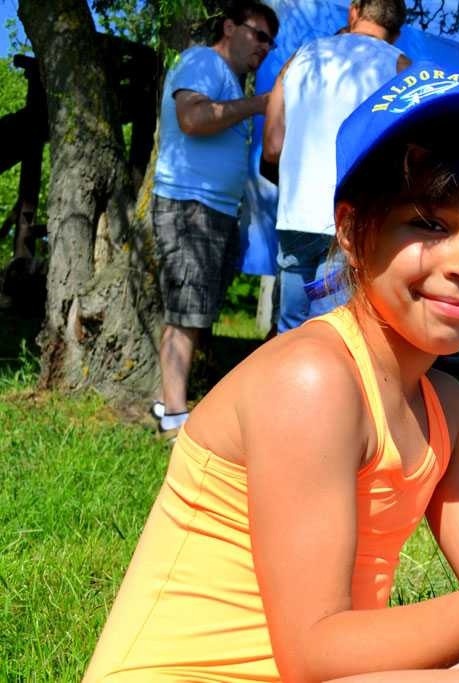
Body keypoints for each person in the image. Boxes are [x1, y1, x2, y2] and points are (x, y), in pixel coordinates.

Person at [84, 64, 459, 682]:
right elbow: (314, 653)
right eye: (429, 224)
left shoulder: (445, 406)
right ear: (350, 230)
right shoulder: (312, 379)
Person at [150, 0, 279, 438]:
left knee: (195, 311)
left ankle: (169, 402)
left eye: (270, 42)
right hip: (189, 205)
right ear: (229, 27)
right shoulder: (203, 60)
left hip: (217, 212)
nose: (264, 47)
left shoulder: (229, 81)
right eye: (258, 35)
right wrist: (257, 105)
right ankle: (172, 416)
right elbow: (192, 118)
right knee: (186, 312)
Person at [262, 0, 410, 333]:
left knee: (289, 329)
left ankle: (283, 385)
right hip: (352, 219)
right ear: (397, 32)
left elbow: (271, 148)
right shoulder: (400, 68)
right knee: (331, 334)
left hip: (295, 214)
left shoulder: (299, 58)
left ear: (354, 11)